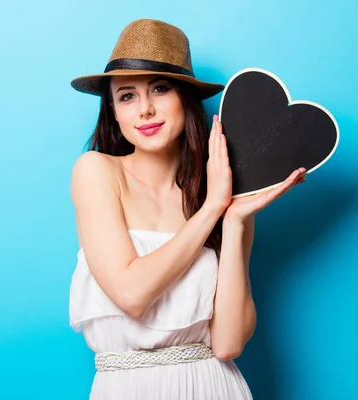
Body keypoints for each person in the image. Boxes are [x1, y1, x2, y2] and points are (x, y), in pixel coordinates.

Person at [68, 18, 306, 399]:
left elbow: (228, 344)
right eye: (127, 96)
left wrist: (235, 219)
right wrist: (212, 209)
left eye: (160, 89)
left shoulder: (226, 199)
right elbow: (131, 295)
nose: (145, 109)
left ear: (185, 99)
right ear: (113, 111)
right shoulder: (96, 171)